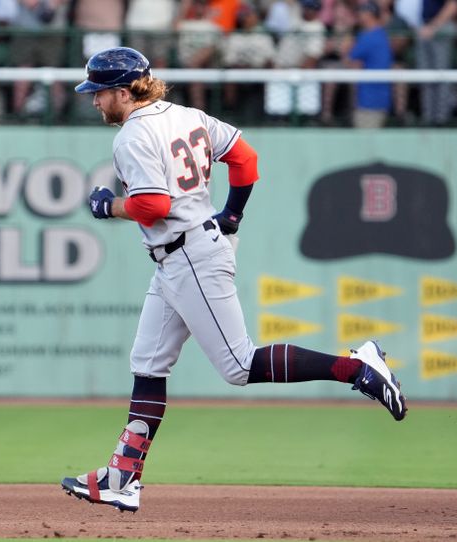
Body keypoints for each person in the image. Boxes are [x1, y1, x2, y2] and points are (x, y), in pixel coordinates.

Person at [60, 46, 407, 513]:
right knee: (148, 361)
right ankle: (122, 475)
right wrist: (233, 215)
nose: (94, 101)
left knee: (239, 366)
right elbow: (245, 158)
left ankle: (358, 366)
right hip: (182, 254)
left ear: (123, 91)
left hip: (189, 256)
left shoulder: (132, 136)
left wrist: (108, 206)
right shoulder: (187, 116)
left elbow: (152, 206)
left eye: (100, 93)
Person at [345, 0, 393, 128]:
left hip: (368, 102)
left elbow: (348, 60)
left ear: (369, 14)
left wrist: (347, 37)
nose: (359, 16)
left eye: (362, 12)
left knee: (365, 143)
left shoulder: (369, 36)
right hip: (380, 100)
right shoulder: (381, 34)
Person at [416, 0, 457, 126]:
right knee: (425, 77)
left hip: (440, 28)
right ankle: (428, 117)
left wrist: (433, 27)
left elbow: (453, 6)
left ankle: (441, 119)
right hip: (424, 28)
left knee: (441, 76)